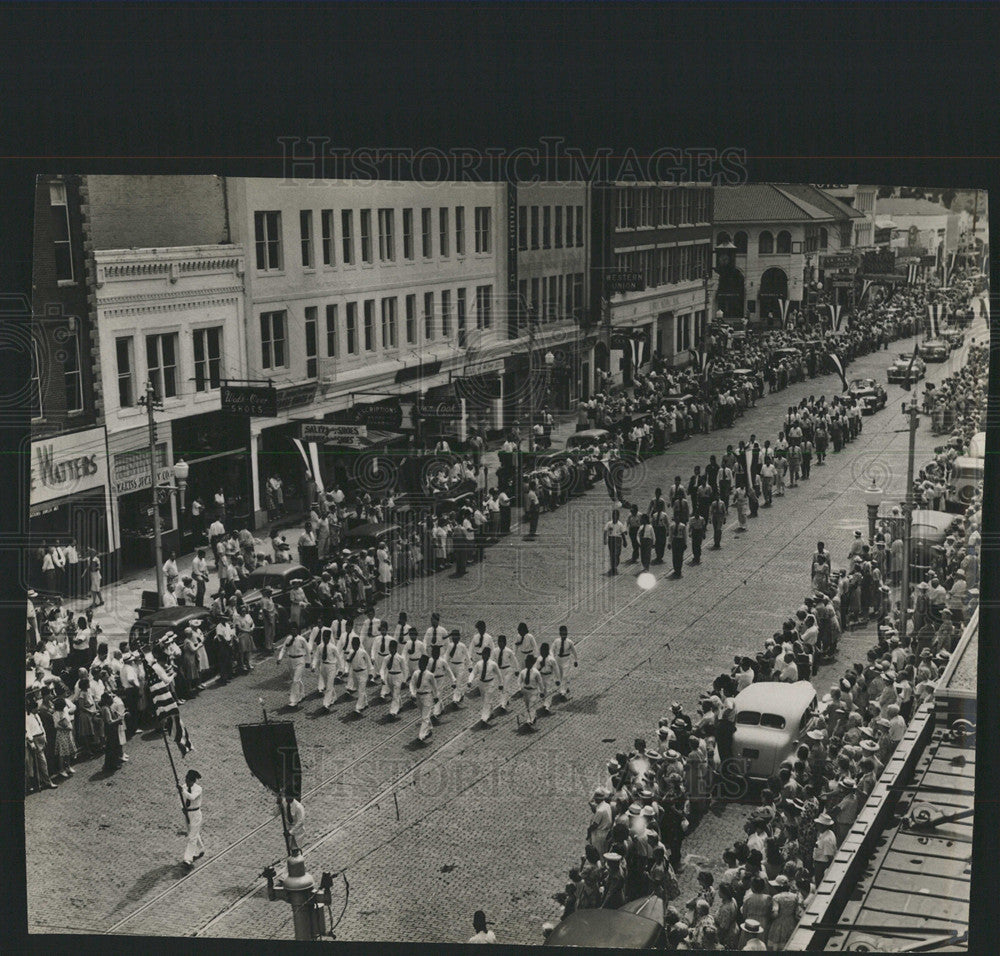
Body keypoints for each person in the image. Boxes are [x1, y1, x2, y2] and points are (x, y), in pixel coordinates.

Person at [26, 699, 58, 791]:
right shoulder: (27, 718)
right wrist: (31, 742)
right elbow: (28, 731)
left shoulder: (37, 715)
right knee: (42, 762)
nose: (38, 709)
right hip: (35, 739)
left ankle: (44, 780)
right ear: (32, 709)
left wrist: (45, 737)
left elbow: (41, 726)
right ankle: (47, 782)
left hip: (41, 737)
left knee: (45, 761)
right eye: (36, 708)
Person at [276, 628, 312, 708]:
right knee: (296, 679)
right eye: (292, 630)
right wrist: (280, 658)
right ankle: (302, 694)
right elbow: (284, 649)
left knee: (295, 680)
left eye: (295, 630)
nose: (293, 631)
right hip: (291, 661)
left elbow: (307, 650)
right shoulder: (288, 638)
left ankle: (294, 700)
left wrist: (308, 662)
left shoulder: (301, 639)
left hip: (300, 660)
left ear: (297, 631)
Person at [469, 646, 503, 725]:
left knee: (487, 701)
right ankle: (490, 713)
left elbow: (499, 674)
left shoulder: (493, 664)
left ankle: (484, 719)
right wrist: (470, 680)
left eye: (486, 655)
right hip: (481, 683)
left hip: (490, 684)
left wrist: (501, 684)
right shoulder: (479, 664)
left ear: (488, 655)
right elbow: (473, 673)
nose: (484, 656)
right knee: (485, 700)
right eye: (483, 655)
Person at [409, 654, 439, 742]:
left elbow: (435, 687)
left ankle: (421, 736)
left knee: (424, 717)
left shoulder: (430, 675)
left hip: (427, 697)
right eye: (419, 663)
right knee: (424, 715)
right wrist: (412, 693)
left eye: (422, 664)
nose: (420, 665)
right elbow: (412, 684)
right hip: (418, 696)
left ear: (425, 665)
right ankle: (429, 727)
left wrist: (436, 696)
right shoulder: (416, 673)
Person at [180, 769, 205, 868]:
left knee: (192, 837)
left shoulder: (198, 789)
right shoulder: (183, 787)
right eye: (186, 780)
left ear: (194, 781)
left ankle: (188, 859)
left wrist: (183, 791)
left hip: (195, 814)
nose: (187, 783)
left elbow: (192, 797)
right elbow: (180, 798)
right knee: (192, 833)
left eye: (189, 781)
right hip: (187, 813)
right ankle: (201, 848)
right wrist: (182, 808)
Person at [553, 625, 579, 699]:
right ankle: (565, 687)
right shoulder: (556, 641)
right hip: (558, 659)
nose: (564, 635)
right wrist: (551, 657)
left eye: (565, 633)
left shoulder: (569, 642)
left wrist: (576, 660)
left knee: (565, 676)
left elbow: (574, 652)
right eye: (562, 633)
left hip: (566, 660)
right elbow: (552, 649)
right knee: (560, 676)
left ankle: (562, 692)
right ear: (560, 633)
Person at [604, 509, 627, 575]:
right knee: (612, 554)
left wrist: (625, 541)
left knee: (617, 554)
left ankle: (615, 565)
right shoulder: (609, 523)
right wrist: (605, 539)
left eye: (616, 515)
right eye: (613, 515)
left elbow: (622, 533)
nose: (614, 517)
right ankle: (613, 567)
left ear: (618, 516)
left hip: (618, 540)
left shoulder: (620, 524)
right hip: (611, 539)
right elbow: (605, 531)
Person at [669, 514, 688, 578]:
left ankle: (679, 570)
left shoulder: (683, 526)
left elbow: (685, 535)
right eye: (675, 519)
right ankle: (675, 569)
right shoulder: (672, 526)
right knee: (674, 556)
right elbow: (670, 535)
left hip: (680, 541)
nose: (676, 520)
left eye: (678, 519)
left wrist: (685, 543)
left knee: (680, 556)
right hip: (675, 541)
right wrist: (669, 543)